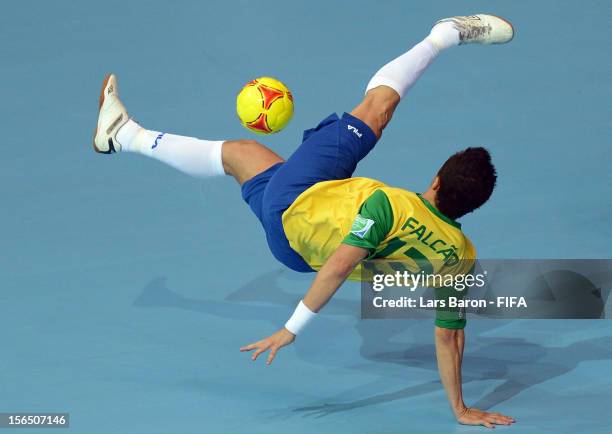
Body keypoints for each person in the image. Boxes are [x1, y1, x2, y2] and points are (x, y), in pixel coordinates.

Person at [93, 14, 515, 428]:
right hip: (295, 252)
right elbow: (450, 336)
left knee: (376, 110)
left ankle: (442, 36)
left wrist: (291, 328)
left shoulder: (390, 206)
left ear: (437, 180)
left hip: (299, 201)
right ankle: (123, 135)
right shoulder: (460, 256)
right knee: (244, 155)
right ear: (473, 206)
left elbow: (341, 266)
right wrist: (460, 409)